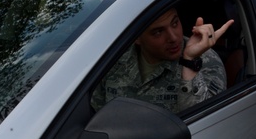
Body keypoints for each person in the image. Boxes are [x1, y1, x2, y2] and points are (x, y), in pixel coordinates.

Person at [92, 7, 232, 113]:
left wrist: (190, 62)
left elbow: (206, 122)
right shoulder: (115, 59)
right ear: (137, 38)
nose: (173, 37)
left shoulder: (205, 60)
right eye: (158, 32)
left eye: (175, 23)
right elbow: (95, 112)